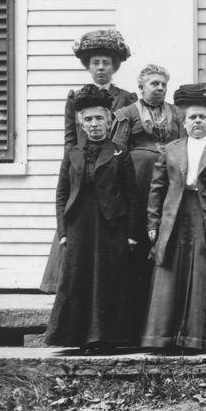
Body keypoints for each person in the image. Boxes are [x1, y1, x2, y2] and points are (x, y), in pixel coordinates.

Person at [142, 84, 206, 351]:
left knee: (203, 275)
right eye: (192, 117)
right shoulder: (171, 149)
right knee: (170, 273)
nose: (197, 121)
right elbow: (157, 188)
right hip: (175, 218)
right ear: (184, 122)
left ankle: (199, 338)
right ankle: (163, 337)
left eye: (203, 117)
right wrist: (153, 223)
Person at [41, 29, 137, 294]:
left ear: (115, 66)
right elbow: (70, 140)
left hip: (111, 169)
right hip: (82, 173)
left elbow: (127, 141)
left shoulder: (126, 98)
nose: (101, 68)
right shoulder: (75, 99)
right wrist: (71, 168)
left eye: (106, 62)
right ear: (88, 66)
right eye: (96, 62)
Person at [45, 85, 138, 352]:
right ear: (81, 125)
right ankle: (75, 337)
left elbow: (132, 196)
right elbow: (62, 194)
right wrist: (63, 231)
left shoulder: (120, 152)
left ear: (109, 121)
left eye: (99, 118)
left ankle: (105, 338)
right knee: (78, 278)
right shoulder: (74, 153)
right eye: (88, 119)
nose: (94, 124)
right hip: (79, 224)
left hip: (110, 224)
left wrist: (131, 233)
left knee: (107, 278)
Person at [112, 64, 182, 326]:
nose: (160, 88)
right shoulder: (126, 114)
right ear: (141, 87)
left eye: (163, 84)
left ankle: (164, 315)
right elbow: (116, 152)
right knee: (139, 240)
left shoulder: (176, 113)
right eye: (154, 83)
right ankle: (135, 317)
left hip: (170, 179)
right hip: (138, 182)